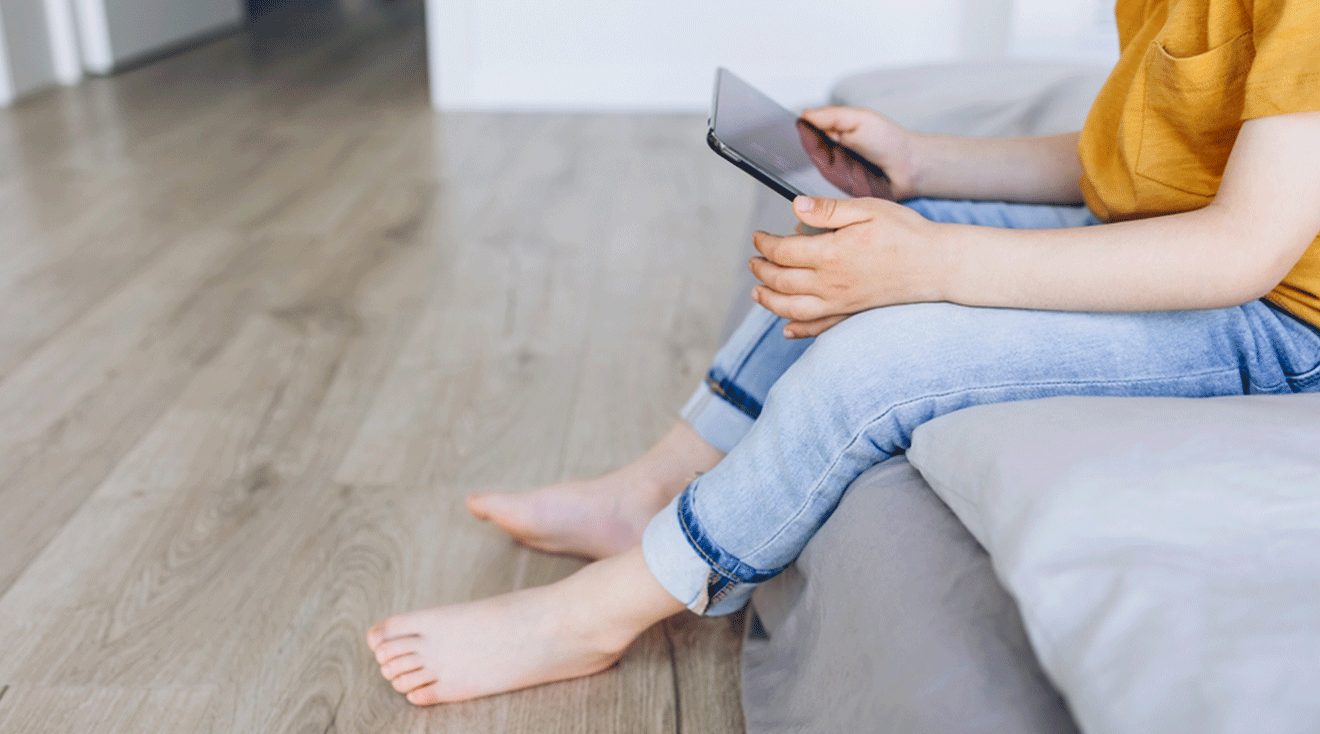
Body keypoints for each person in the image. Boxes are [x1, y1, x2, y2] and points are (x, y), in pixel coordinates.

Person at [366, 0, 1320, 707]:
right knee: (848, 242)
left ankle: (597, 614)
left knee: (885, 347)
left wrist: (933, 262)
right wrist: (921, 165)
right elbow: (1136, 157)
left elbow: (1242, 250)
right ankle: (648, 490)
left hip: (1278, 316)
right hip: (1184, 243)